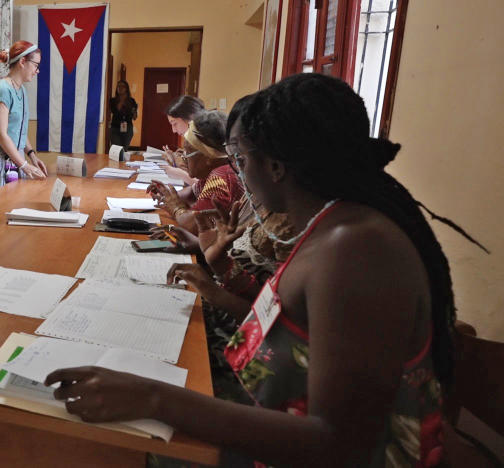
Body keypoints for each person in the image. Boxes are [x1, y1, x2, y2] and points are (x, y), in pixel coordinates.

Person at [45, 73, 488, 467]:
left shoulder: (356, 252)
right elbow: (292, 329)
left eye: (239, 158)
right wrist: (221, 286)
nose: (235, 172)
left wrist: (154, 396)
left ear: (276, 166)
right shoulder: (329, 228)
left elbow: (337, 444)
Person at [149, 110, 244, 241]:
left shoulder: (221, 176)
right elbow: (191, 194)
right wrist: (166, 195)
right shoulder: (216, 169)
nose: (183, 157)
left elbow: (194, 226)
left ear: (207, 157)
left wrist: (176, 208)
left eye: (187, 152)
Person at [0, 41, 47, 193]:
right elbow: (1, 134)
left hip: (15, 159)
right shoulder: (3, 90)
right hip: (0, 160)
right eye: (36, 65)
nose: (37, 71)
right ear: (22, 62)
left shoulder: (21, 91)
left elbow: (18, 130)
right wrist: (24, 165)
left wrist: (31, 155)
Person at [159, 95, 205, 186]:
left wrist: (183, 176)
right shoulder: (193, 141)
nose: (173, 130)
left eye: (174, 124)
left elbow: (210, 186)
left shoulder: (206, 144)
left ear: (189, 119)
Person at [108, 79, 137, 148]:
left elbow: (134, 117)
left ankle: (123, 159)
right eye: (118, 86)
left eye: (122, 86)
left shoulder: (131, 101)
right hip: (115, 127)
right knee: (117, 149)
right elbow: (114, 111)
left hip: (128, 128)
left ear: (126, 88)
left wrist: (134, 112)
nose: (120, 88)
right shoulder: (112, 100)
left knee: (124, 149)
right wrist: (121, 100)